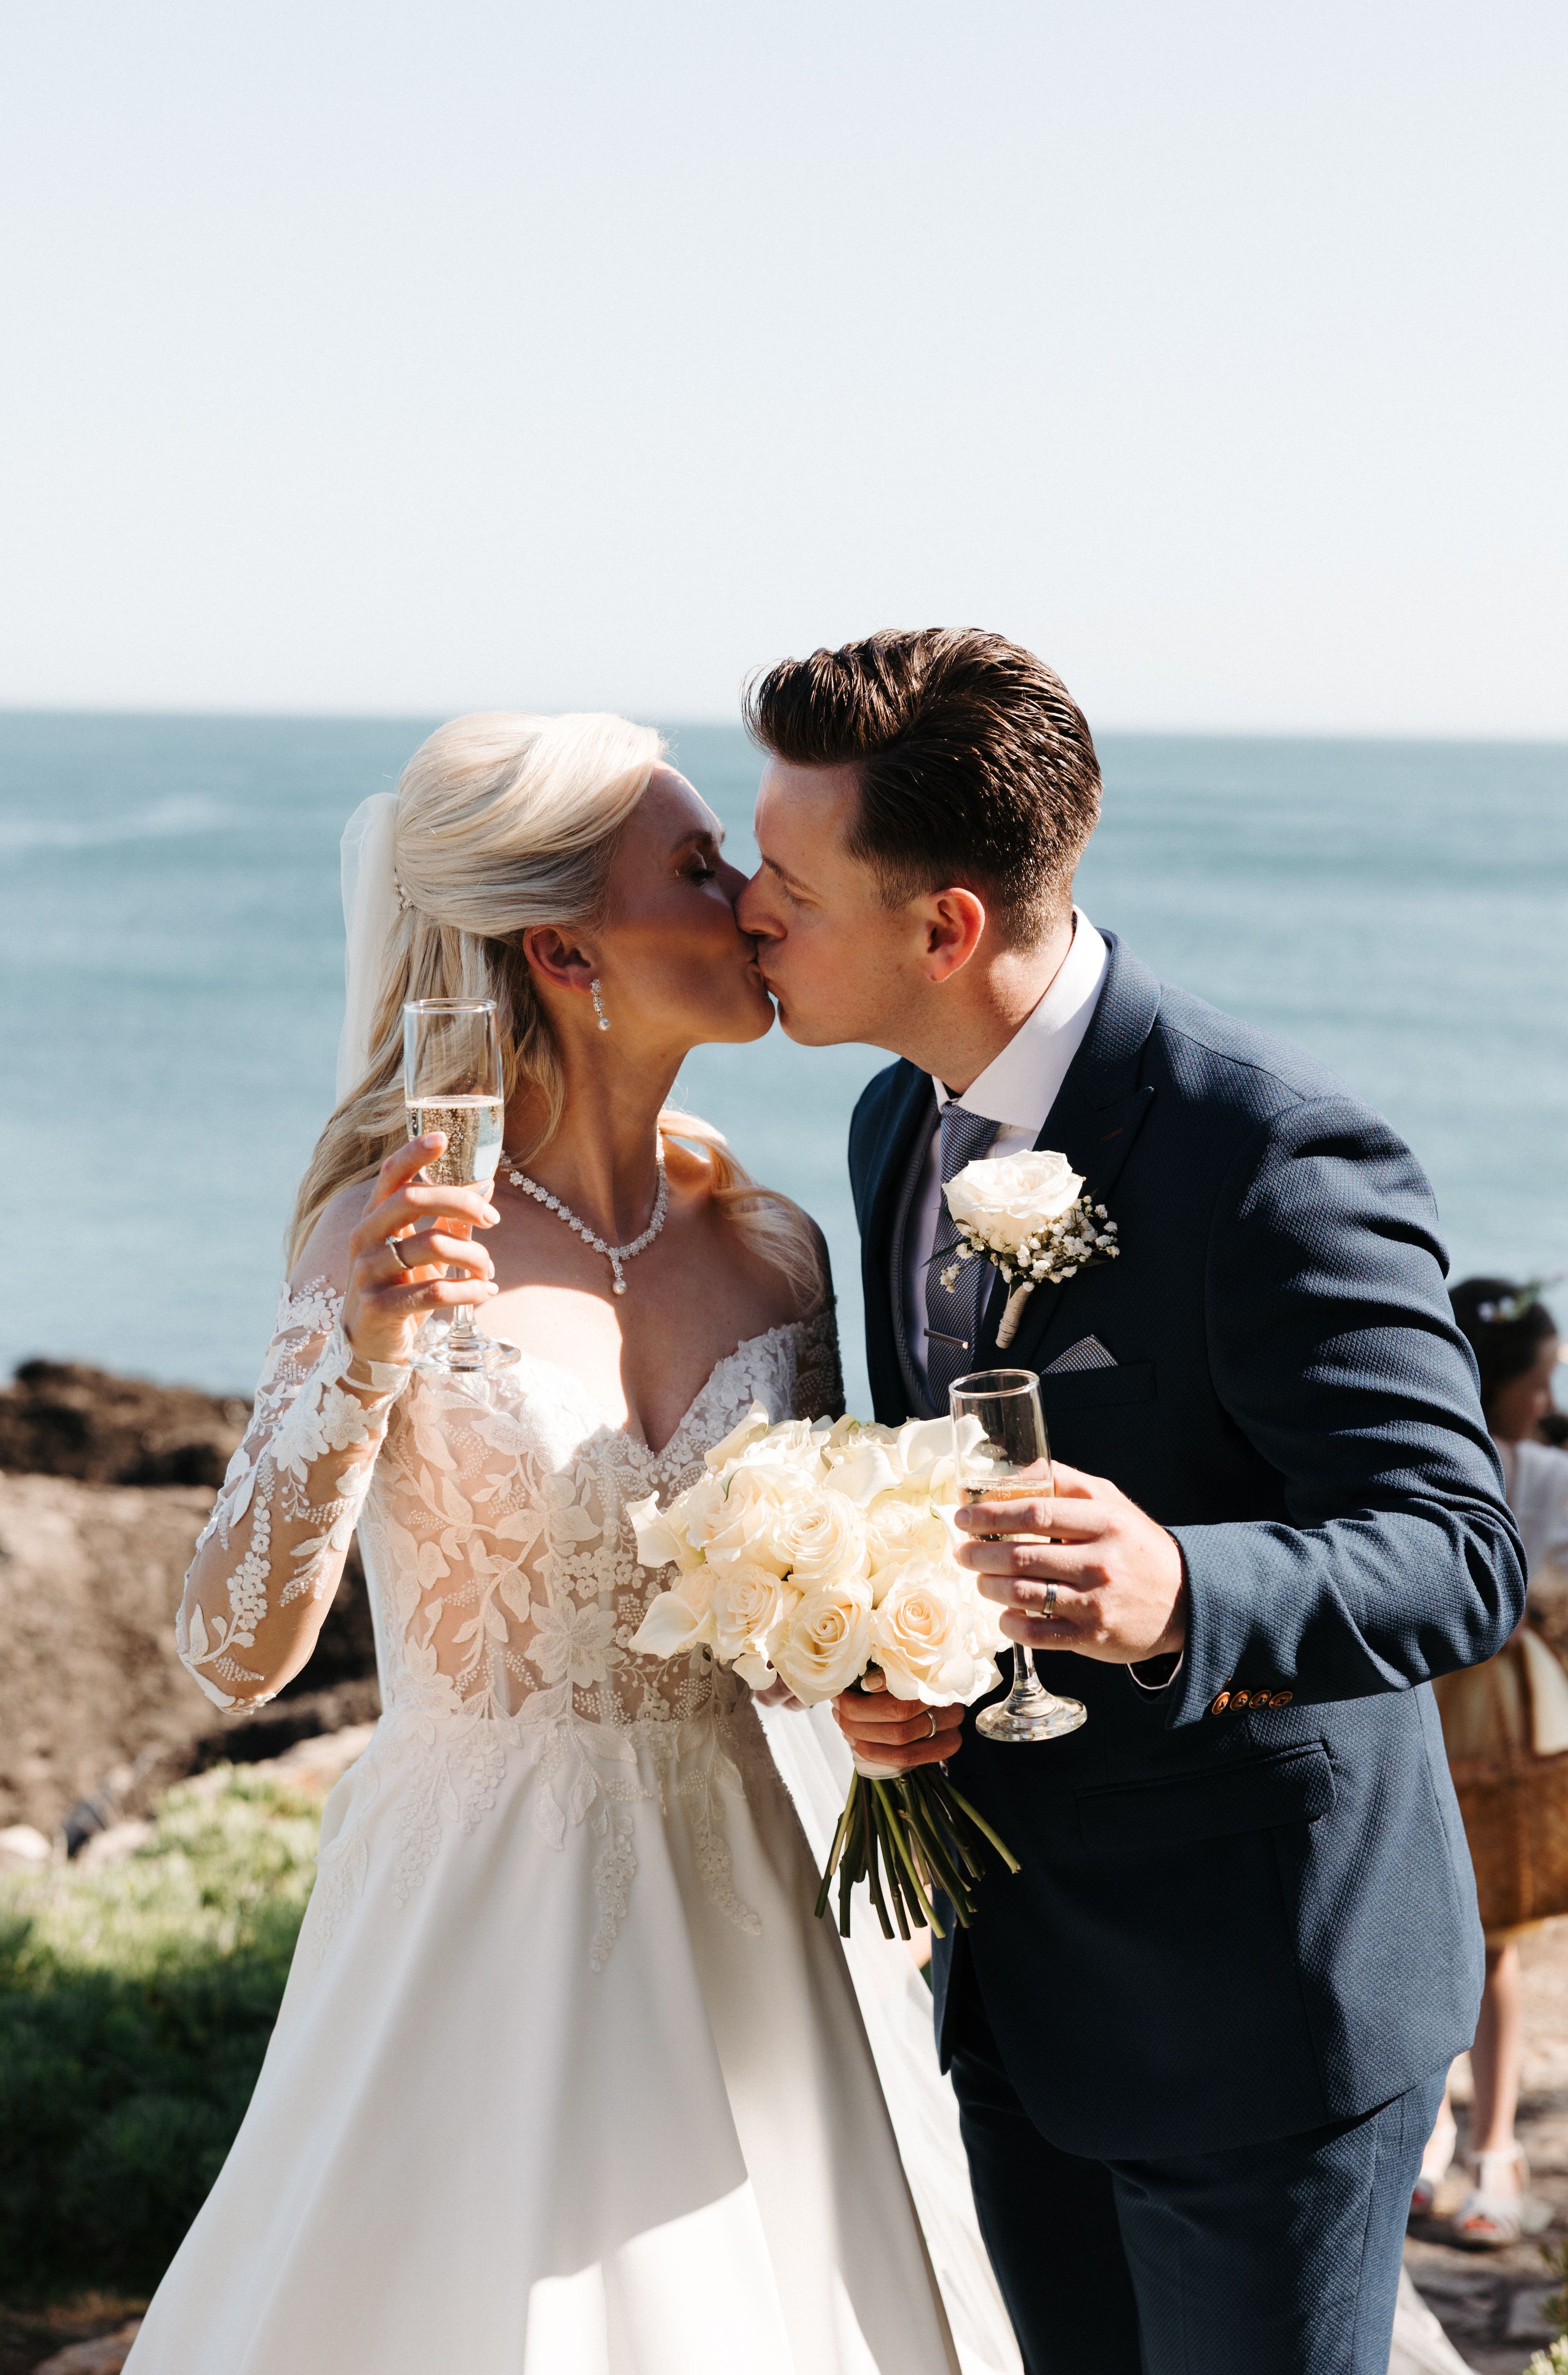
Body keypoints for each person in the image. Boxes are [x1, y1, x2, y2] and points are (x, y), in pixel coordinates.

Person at [125, 710, 1015, 2375]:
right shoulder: (389, 1229)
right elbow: (237, 1649)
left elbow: (796, 1619)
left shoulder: (773, 1247)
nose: (752, 892)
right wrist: (359, 1354)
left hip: (763, 1912)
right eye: (695, 866)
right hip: (483, 1920)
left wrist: (881, 1686)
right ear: (560, 947)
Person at [734, 629, 1526, 2375]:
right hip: (1020, 1993)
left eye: (786, 880)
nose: (746, 912)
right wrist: (906, 1663)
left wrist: (1186, 1583)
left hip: (1260, 2015)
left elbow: (1457, 1553)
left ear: (944, 925)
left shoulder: (1275, 1155)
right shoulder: (893, 1127)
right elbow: (949, 1494)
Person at [1413, 1279, 1568, 2244]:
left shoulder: (1424, 1456)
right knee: (1495, 1939)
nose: (1548, 1401)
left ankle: (1445, 2144)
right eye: (1543, 1379)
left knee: (1431, 1922)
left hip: (1426, 1696)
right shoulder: (1547, 1477)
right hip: (1510, 1714)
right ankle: (1490, 2149)